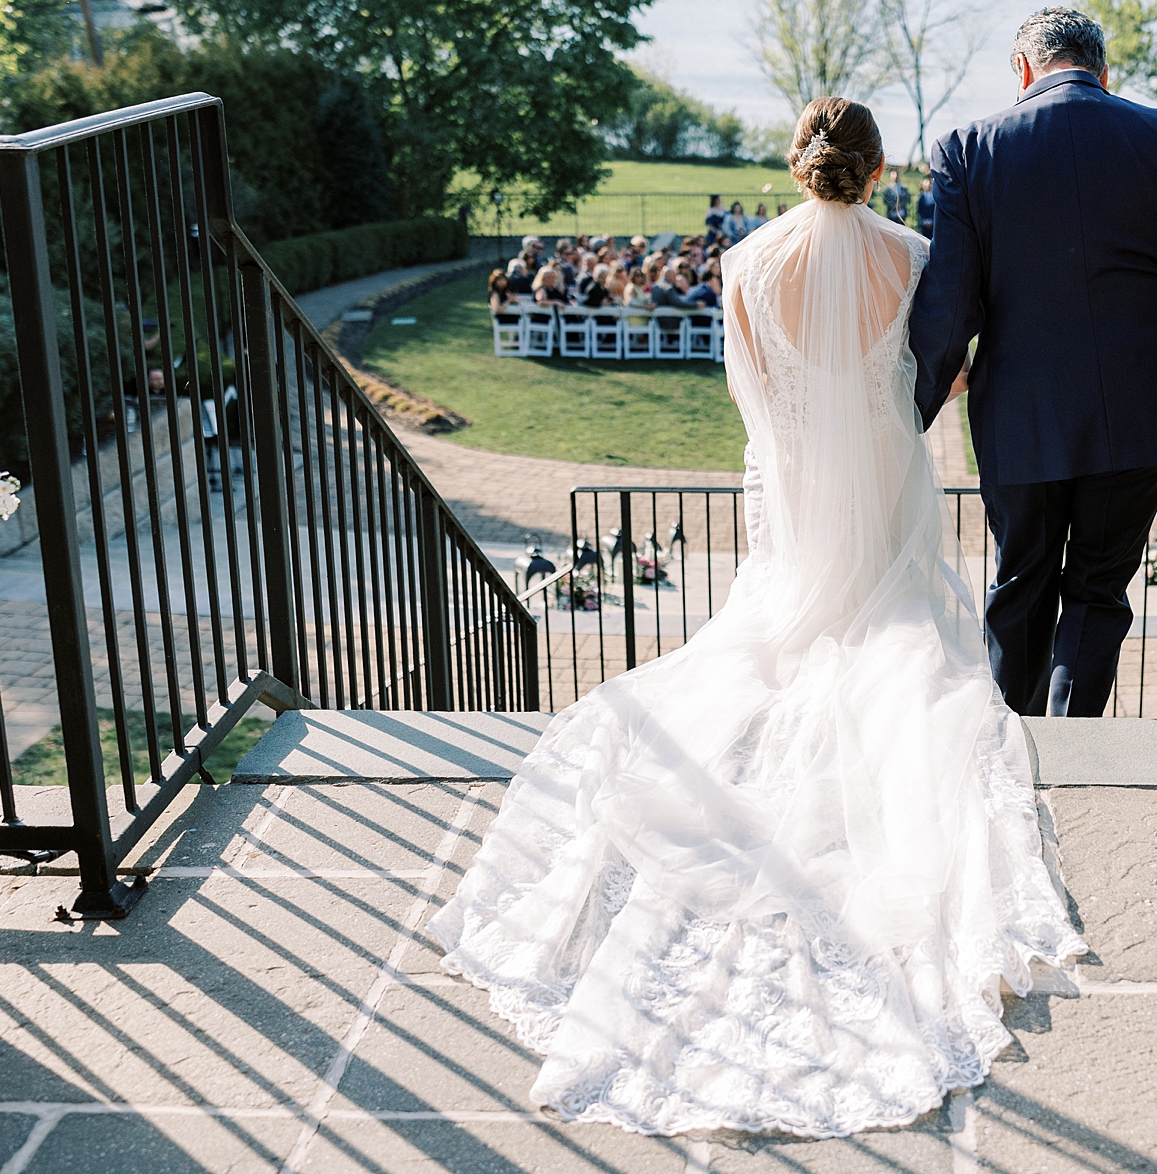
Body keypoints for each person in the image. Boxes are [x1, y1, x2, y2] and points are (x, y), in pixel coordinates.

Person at [434, 95, 1084, 1138]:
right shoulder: (913, 255)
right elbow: (934, 371)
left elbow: (751, 397)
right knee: (901, 635)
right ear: (875, 173)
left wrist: (789, 463)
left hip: (791, 476)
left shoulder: (744, 266)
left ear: (797, 169)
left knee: (777, 638)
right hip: (881, 474)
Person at [909, 6, 1157, 719]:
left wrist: (912, 405)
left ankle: (1010, 743)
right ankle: (1071, 745)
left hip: (1022, 416)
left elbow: (951, 299)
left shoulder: (968, 147)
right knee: (1096, 590)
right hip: (1143, 416)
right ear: (1103, 70)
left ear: (1022, 70)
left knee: (1021, 579)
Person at [916, 174, 936, 238]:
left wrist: (932, 221)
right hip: (924, 222)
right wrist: (924, 220)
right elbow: (920, 209)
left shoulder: (935, 197)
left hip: (933, 222)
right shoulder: (922, 197)